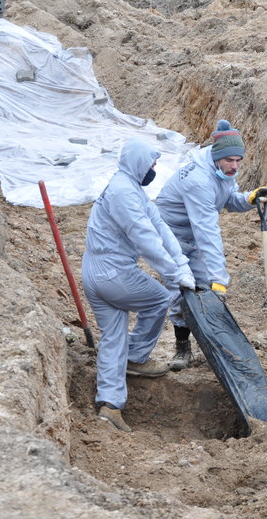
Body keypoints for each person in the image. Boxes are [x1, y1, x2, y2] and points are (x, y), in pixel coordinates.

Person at [82, 136, 196, 432]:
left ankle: (110, 406)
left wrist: (181, 263)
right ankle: (135, 357)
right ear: (139, 163)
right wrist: (173, 275)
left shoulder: (128, 186)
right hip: (113, 271)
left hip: (95, 270)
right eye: (152, 164)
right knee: (159, 299)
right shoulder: (124, 194)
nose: (154, 169)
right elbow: (145, 238)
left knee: (113, 336)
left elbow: (160, 227)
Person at [156, 119, 267, 370]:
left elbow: (227, 200)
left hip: (193, 232)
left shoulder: (223, 171)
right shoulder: (198, 180)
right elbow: (207, 233)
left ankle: (208, 344)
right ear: (217, 157)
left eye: (238, 160)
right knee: (180, 288)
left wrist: (248, 199)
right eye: (230, 160)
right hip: (172, 236)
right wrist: (219, 278)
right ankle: (182, 346)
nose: (235, 166)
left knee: (202, 286)